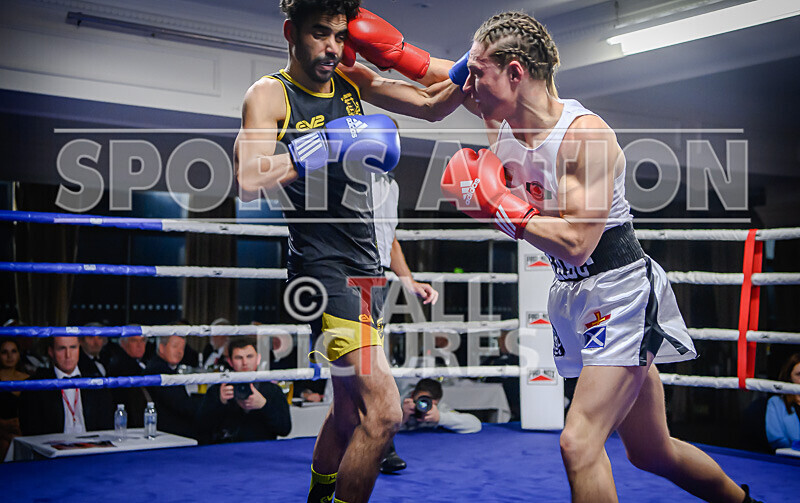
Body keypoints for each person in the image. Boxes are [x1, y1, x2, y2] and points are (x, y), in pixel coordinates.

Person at [440, 11, 761, 503]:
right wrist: (360, 60)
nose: (467, 83)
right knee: (651, 452)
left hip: (619, 292)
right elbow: (424, 86)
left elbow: (577, 244)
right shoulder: (497, 117)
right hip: (571, 294)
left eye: (477, 71)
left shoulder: (584, 134)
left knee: (579, 441)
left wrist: (501, 207)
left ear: (515, 72)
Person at [234, 2, 461, 502]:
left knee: (346, 414)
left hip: (366, 269)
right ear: (291, 32)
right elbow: (248, 178)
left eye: (340, 36)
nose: (332, 47)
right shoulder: (270, 94)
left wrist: (473, 66)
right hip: (322, 270)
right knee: (384, 413)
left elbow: (431, 103)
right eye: (320, 33)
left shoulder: (350, 79)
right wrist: (319, 145)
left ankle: (319, 496)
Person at [196, 337, 291, 444]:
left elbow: (285, 429)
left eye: (249, 356)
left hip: (261, 450)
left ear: (258, 359)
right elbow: (200, 430)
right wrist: (220, 402)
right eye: (238, 358)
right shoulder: (218, 390)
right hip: (226, 450)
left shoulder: (273, 390)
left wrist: (264, 405)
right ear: (230, 361)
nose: (245, 362)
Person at [18, 336, 113, 435]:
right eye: (61, 348)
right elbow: (32, 432)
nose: (68, 355)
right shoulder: (35, 387)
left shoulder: (96, 384)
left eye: (73, 347)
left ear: (79, 349)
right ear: (51, 352)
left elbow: (106, 428)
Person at [144, 335, 200, 439]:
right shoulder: (159, 371)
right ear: (162, 348)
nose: (179, 352)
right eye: (175, 346)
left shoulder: (163, 368)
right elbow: (182, 405)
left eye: (182, 348)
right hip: (170, 431)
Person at [399, 378, 481, 434]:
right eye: (421, 401)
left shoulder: (439, 408)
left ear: (437, 402)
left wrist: (440, 418)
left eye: (429, 403)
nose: (424, 406)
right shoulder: (399, 403)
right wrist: (401, 418)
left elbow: (475, 425)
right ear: (412, 395)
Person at [0, 338, 28, 459]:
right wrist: (3, 424)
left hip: (24, 430)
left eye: (13, 351)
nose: (9, 356)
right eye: (4, 352)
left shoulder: (29, 379)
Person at [765, 352, 800, 450]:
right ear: (789, 377)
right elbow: (776, 440)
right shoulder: (776, 403)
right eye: (799, 374)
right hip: (788, 457)